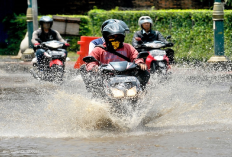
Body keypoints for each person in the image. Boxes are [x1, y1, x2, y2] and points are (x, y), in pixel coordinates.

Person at [81, 22, 150, 91]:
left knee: (144, 72)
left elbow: (136, 56)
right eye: (112, 37)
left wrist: (140, 62)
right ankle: (97, 95)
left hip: (127, 76)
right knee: (93, 77)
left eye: (118, 37)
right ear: (106, 37)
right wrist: (93, 67)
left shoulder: (128, 47)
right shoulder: (99, 49)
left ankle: (141, 92)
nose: (115, 39)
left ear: (122, 37)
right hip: (106, 77)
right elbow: (91, 61)